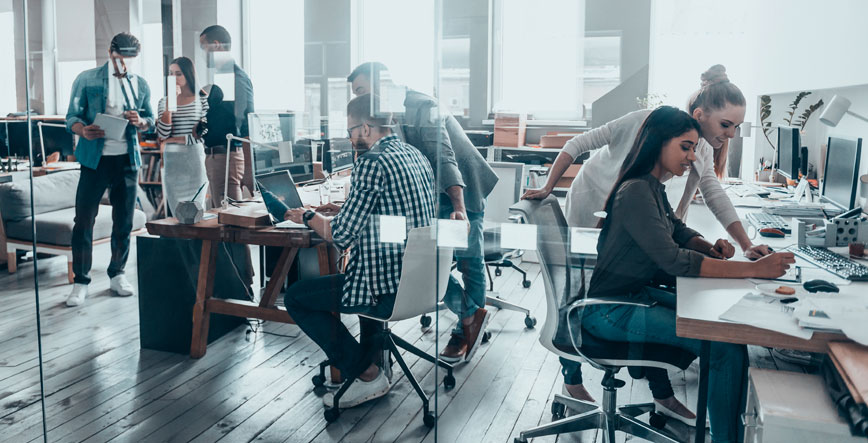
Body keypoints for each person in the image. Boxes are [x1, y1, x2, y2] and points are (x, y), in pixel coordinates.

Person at [522, 64, 772, 407]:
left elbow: (710, 196)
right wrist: (548, 187)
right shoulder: (647, 136)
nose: (730, 134)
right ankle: (573, 379)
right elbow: (578, 143)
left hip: (634, 217)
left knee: (646, 283)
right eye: (725, 125)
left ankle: (660, 391)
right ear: (700, 115)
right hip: (592, 203)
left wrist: (744, 245)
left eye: (736, 127)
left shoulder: (682, 160)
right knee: (576, 290)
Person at [578, 106, 795, 442]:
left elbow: (677, 230)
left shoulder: (651, 187)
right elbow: (673, 260)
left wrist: (709, 247)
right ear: (657, 142)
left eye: (693, 148)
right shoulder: (635, 191)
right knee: (722, 347)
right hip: (610, 310)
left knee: (728, 335)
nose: (693, 157)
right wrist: (753, 269)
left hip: (631, 298)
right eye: (685, 147)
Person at [282, 94, 435, 409]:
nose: (350, 138)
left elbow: (340, 235)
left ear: (365, 128)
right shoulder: (415, 154)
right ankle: (371, 364)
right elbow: (397, 212)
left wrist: (307, 216)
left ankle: (366, 373)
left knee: (296, 298)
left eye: (350, 130)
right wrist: (344, 209)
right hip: (420, 283)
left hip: (386, 289)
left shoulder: (371, 161)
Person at [348, 62, 498, 363]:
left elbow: (444, 157)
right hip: (429, 191)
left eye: (361, 90)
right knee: (422, 258)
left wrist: (459, 208)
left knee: (468, 261)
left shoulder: (422, 106)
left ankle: (465, 331)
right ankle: (472, 316)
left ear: (381, 83)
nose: (360, 98)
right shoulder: (381, 116)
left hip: (462, 187)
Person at [65, 32, 154, 307]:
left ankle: (117, 274)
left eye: (129, 60)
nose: (123, 65)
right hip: (94, 160)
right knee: (84, 220)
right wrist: (83, 130)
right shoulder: (86, 79)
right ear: (110, 53)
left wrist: (141, 121)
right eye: (119, 59)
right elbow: (71, 117)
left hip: (127, 160)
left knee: (124, 220)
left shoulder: (140, 84)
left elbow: (150, 119)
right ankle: (80, 282)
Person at [199, 25, 254, 205]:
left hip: (227, 157)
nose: (203, 53)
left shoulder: (236, 77)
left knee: (230, 215)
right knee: (223, 213)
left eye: (204, 47)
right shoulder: (222, 78)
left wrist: (248, 169)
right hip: (217, 156)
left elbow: (246, 124)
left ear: (216, 45)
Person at [157, 57, 209, 212]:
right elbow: (163, 134)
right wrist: (170, 106)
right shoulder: (163, 102)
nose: (174, 78)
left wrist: (174, 139)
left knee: (196, 210)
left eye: (178, 74)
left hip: (194, 159)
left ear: (188, 74)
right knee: (177, 212)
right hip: (172, 161)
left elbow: (203, 134)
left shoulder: (203, 101)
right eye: (171, 73)